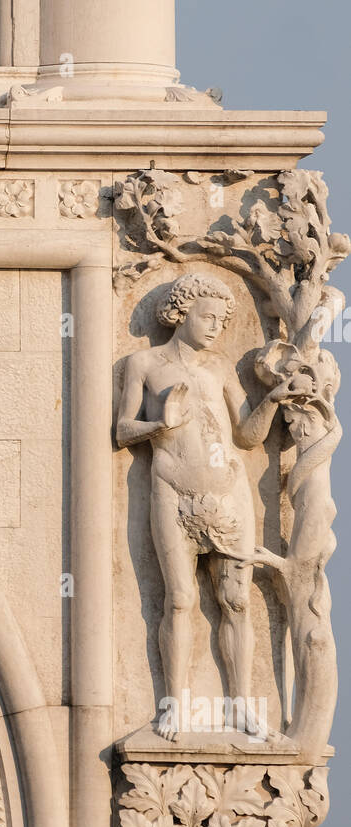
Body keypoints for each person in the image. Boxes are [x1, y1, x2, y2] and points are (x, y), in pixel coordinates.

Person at [117, 270, 290, 740]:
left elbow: (246, 436)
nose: (215, 327)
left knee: (235, 600)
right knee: (180, 599)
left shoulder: (220, 368)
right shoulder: (144, 365)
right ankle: (173, 703)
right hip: (173, 492)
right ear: (181, 312)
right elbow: (121, 430)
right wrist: (160, 424)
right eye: (207, 316)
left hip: (228, 494)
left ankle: (240, 706)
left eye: (221, 319)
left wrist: (272, 399)